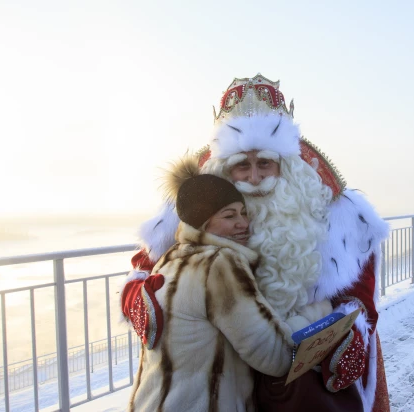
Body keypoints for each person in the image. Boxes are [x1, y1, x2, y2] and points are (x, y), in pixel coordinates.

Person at [126, 74, 391, 411]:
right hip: (222, 370)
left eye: (264, 163)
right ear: (225, 168)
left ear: (283, 163)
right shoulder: (199, 206)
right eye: (242, 167)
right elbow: (147, 268)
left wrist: (348, 329)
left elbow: (359, 292)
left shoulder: (330, 207)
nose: (254, 178)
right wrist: (141, 299)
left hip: (300, 377)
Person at [121, 173, 314, 412]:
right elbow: (275, 357)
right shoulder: (219, 263)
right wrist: (310, 320)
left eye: (243, 213)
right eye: (229, 215)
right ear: (204, 223)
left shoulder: (168, 260)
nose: (243, 223)